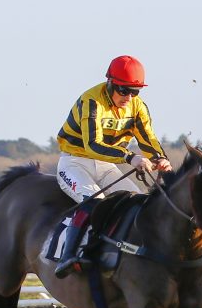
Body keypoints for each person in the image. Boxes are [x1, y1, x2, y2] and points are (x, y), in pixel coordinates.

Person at [53, 55, 173, 278]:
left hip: (106, 164)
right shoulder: (91, 101)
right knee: (95, 202)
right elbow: (93, 146)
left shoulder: (137, 106)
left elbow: (147, 138)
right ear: (109, 82)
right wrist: (130, 157)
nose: (128, 97)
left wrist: (159, 158)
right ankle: (68, 256)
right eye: (123, 90)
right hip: (74, 162)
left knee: (137, 201)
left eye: (135, 91)